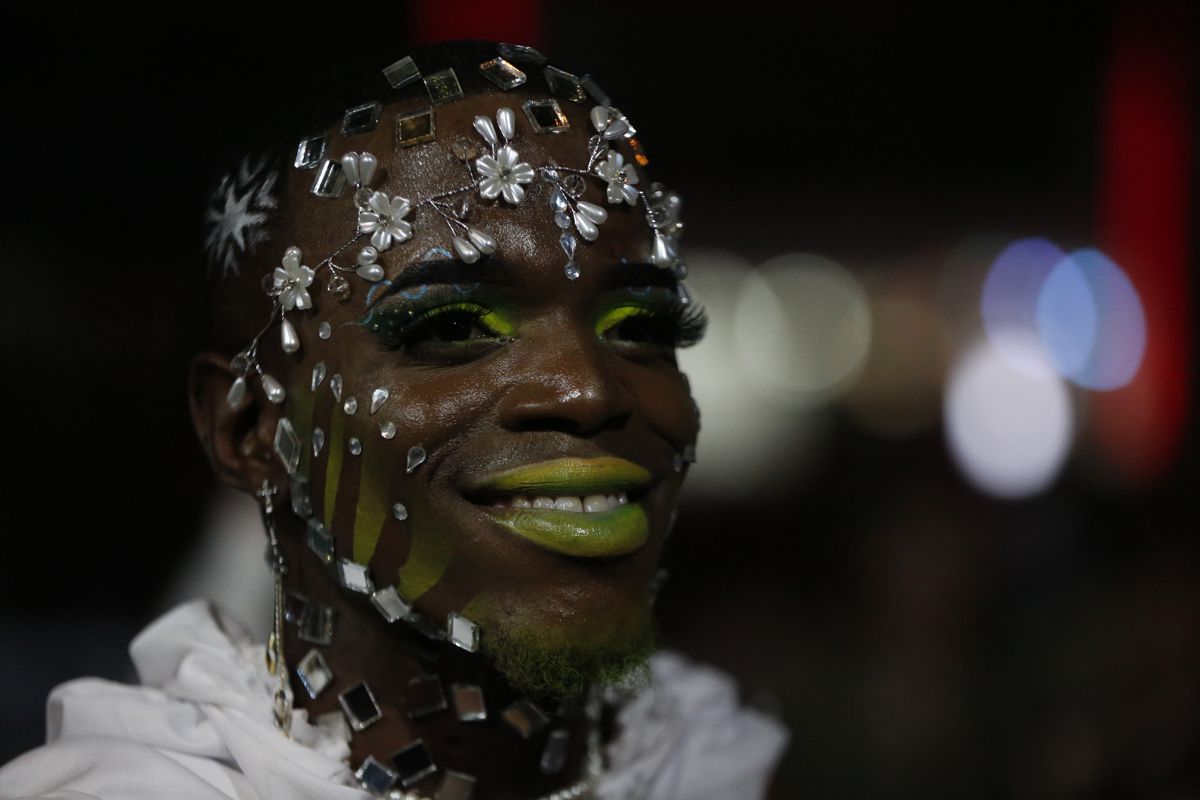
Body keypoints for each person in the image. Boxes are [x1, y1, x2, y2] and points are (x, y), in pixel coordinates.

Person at [0, 41, 787, 800]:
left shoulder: (715, 765)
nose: (588, 391)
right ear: (248, 429)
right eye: (450, 327)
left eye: (641, 327)